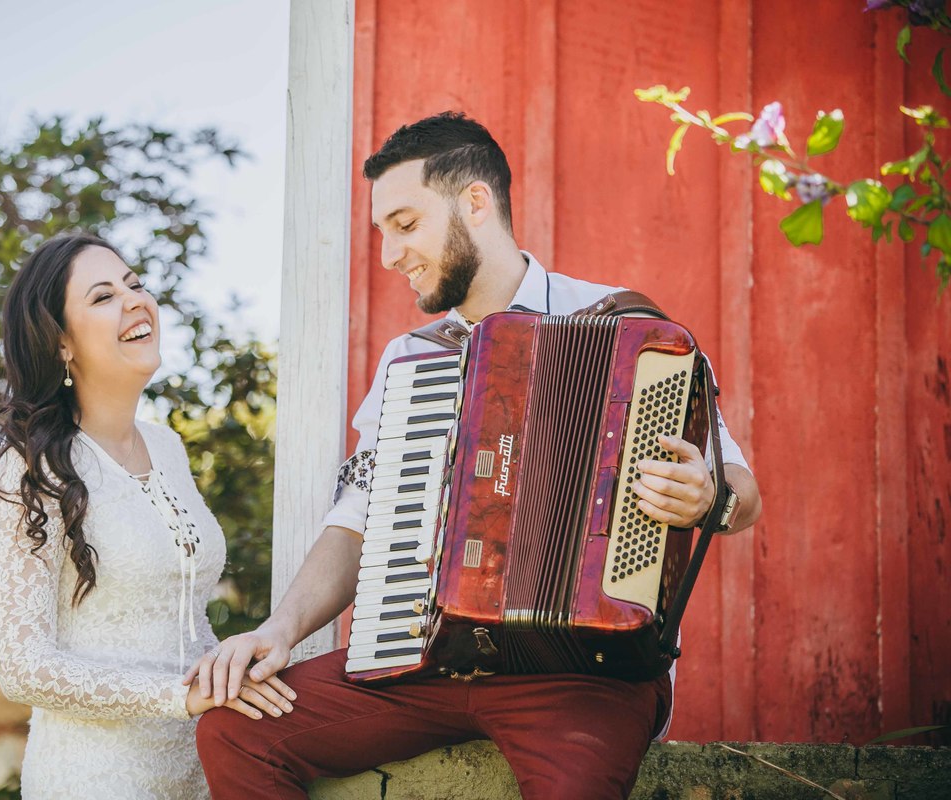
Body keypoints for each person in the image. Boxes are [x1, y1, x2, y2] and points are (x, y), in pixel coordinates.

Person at [190, 112, 762, 799]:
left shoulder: (632, 333)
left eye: (404, 225)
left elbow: (740, 489)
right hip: (425, 662)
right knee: (235, 730)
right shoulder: (414, 361)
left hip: (584, 675)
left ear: (475, 203)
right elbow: (356, 517)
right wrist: (279, 628)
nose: (389, 254)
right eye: (383, 234)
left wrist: (706, 497)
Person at [0, 234, 294, 800]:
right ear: (60, 344)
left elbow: (184, 617)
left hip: (203, 768)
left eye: (135, 284)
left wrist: (230, 668)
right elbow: (23, 667)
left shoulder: (167, 445)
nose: (134, 300)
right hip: (98, 778)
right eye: (102, 296)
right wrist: (179, 696)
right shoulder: (26, 471)